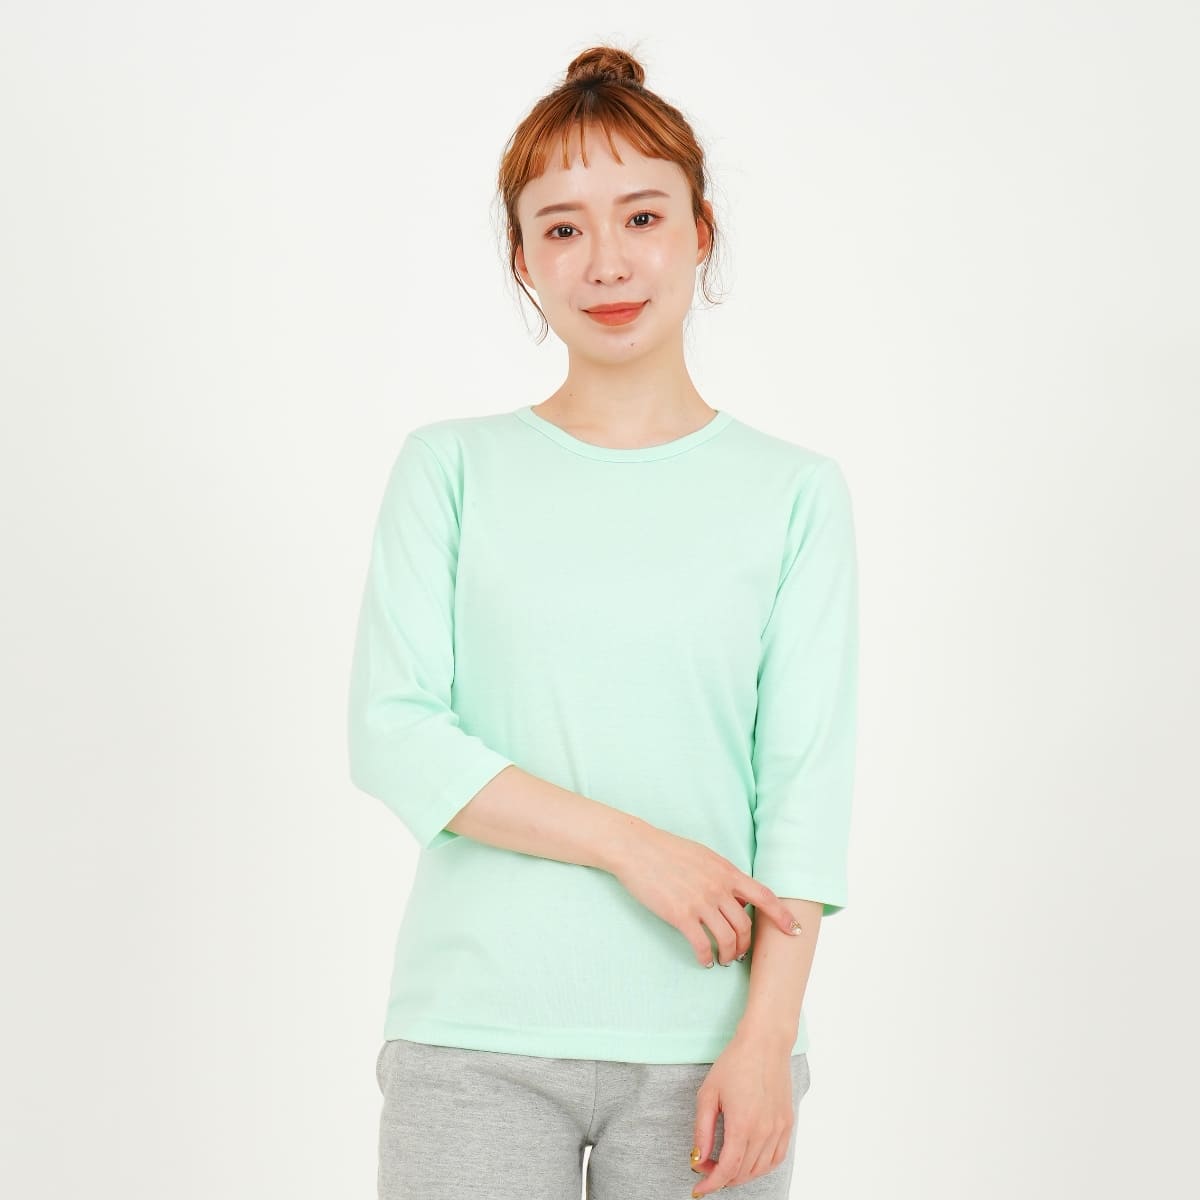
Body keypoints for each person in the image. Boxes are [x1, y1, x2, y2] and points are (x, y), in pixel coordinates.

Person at [347, 43, 859, 1200]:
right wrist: (640, 850)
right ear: (522, 258)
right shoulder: (450, 469)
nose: (608, 261)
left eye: (642, 215)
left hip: (711, 1045)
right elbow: (394, 733)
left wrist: (767, 1041)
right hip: (473, 1036)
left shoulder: (794, 493)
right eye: (564, 227)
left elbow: (806, 794)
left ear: (700, 230)